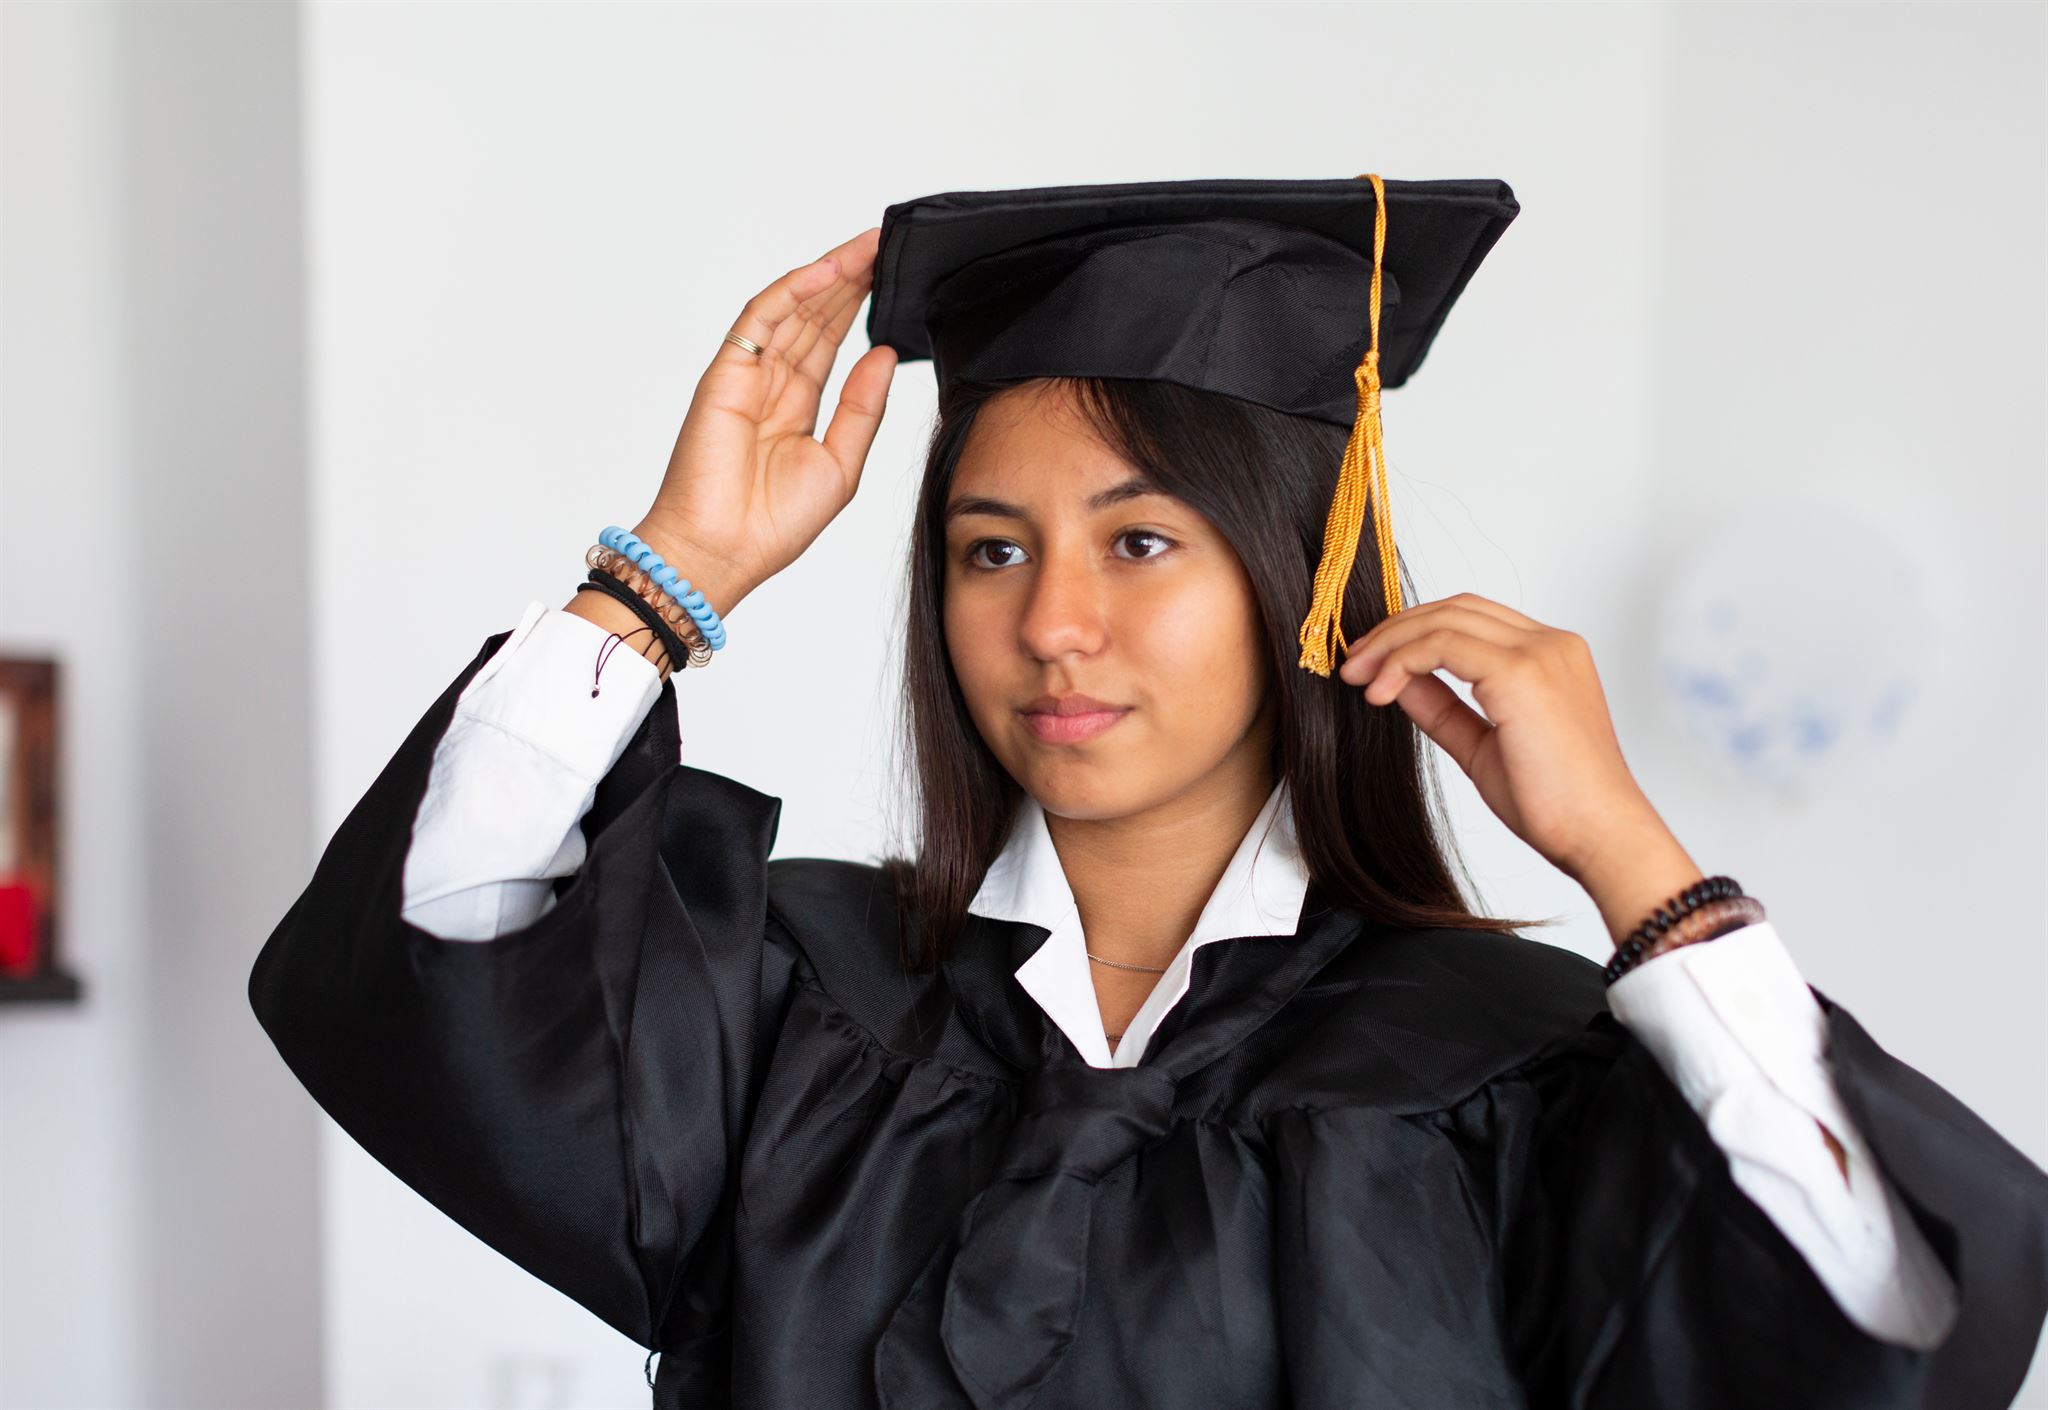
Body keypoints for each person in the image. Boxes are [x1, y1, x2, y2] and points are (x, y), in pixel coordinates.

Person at [249, 176, 2048, 1409]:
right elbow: (441, 957)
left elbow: (1889, 1307)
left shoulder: (1501, 1069)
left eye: (1139, 539)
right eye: (990, 547)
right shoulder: (801, 1006)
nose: (1053, 622)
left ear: (1297, 574)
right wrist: (666, 577)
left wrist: (1627, 857)